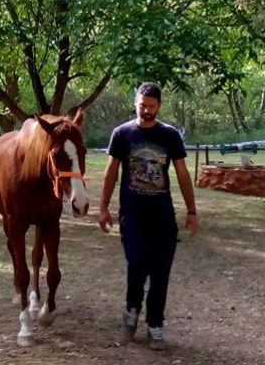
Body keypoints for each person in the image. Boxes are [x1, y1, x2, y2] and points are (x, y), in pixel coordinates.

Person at [97, 82, 199, 351]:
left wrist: (191, 211)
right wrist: (103, 208)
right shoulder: (122, 134)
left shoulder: (170, 136)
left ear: (159, 106)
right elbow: (110, 173)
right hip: (133, 216)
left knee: (160, 274)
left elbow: (183, 174)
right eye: (143, 105)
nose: (147, 111)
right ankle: (131, 313)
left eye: (152, 106)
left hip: (163, 217)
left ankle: (155, 326)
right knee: (137, 266)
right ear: (136, 103)